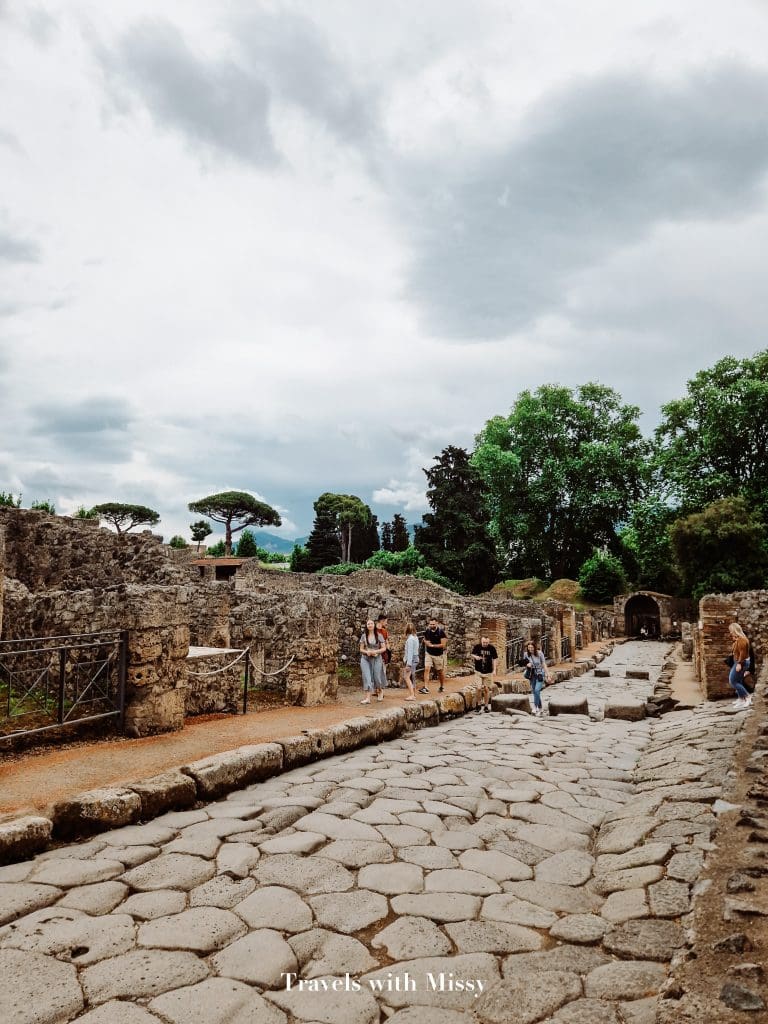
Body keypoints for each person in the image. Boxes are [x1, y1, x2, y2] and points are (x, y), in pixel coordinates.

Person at [359, 618, 387, 704]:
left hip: (376, 658)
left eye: (371, 623)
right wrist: (367, 652)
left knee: (377, 677)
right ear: (366, 626)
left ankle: (380, 690)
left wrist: (376, 652)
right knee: (367, 677)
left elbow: (384, 648)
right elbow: (361, 649)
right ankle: (368, 698)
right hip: (365, 659)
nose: (370, 625)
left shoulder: (379, 635)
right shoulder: (364, 636)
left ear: (374, 625)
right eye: (368, 624)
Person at [727, 622, 753, 711]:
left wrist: (739, 664)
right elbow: (736, 651)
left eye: (731, 630)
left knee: (732, 681)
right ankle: (741, 699)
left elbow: (743, 653)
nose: (730, 632)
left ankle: (747, 696)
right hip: (738, 661)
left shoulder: (742, 639)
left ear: (735, 630)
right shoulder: (739, 639)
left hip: (741, 662)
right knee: (738, 681)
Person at [419, 616, 447, 694]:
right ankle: (426, 688)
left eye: (433, 624)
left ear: (437, 623)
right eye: (430, 624)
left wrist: (433, 646)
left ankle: (442, 686)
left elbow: (443, 644)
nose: (432, 626)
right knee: (427, 669)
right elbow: (424, 639)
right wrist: (426, 642)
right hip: (429, 653)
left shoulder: (441, 632)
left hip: (438, 655)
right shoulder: (428, 631)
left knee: (440, 672)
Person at [471, 634, 499, 712]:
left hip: (488, 672)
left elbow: (495, 659)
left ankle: (486, 706)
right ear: (481, 641)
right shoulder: (477, 647)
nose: (485, 644)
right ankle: (478, 705)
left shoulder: (492, 648)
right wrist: (475, 657)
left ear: (488, 642)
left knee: (486, 689)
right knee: (479, 688)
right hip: (478, 671)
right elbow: (472, 654)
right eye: (484, 642)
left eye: (486, 642)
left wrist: (494, 670)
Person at [522, 638, 549, 716]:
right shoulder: (526, 654)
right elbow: (523, 663)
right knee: (535, 692)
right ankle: (540, 708)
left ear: (534, 647)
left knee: (537, 690)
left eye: (532, 647)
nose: (530, 649)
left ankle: (535, 707)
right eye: (529, 648)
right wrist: (527, 664)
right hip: (532, 674)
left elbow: (544, 664)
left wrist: (548, 674)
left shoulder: (540, 653)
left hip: (540, 674)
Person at [402, 622, 419, 701]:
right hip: (415, 658)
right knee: (412, 677)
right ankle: (414, 693)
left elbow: (410, 652)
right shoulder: (415, 637)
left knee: (407, 677)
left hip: (411, 660)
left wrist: (408, 664)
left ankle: (412, 695)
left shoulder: (410, 639)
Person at [376, 613, 394, 687]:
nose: (386, 623)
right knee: (379, 672)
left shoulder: (383, 631)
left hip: (381, 653)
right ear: (382, 621)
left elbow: (387, 643)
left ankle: (379, 689)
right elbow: (387, 643)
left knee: (380, 672)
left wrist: (388, 653)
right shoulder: (378, 631)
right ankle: (378, 689)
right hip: (379, 653)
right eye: (386, 621)